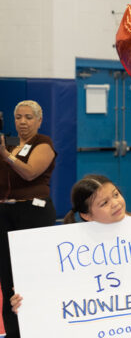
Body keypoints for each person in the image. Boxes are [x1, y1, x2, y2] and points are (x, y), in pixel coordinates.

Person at [10, 174, 128, 314]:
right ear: (87, 216)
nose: (115, 203)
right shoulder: (68, 251)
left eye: (116, 194)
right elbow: (51, 294)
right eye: (104, 203)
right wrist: (27, 302)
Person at [0, 100, 57, 338]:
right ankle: (13, 331)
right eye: (18, 117)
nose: (22, 122)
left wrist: (5, 156)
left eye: (28, 117)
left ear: (39, 120)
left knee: (34, 274)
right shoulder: (9, 143)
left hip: (34, 212)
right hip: (5, 213)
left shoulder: (43, 143)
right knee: (7, 276)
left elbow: (31, 171)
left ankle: (40, 327)